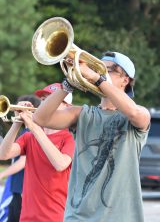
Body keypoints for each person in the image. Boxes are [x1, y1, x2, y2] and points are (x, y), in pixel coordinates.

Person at [33, 51, 151, 222]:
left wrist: (97, 79)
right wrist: (67, 85)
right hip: (79, 216)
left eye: (106, 70)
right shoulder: (82, 113)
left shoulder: (138, 113)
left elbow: (133, 112)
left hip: (123, 217)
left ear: (125, 80)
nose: (99, 72)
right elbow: (40, 118)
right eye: (97, 68)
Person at [0, 84, 75, 222]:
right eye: (44, 99)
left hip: (55, 217)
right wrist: (17, 122)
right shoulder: (30, 136)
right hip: (27, 217)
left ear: (68, 107)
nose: (46, 103)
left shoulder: (69, 138)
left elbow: (60, 164)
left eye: (52, 99)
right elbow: (3, 154)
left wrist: (34, 126)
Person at [0, 94, 41, 222]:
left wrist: (2, 175)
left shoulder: (30, 133)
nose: (17, 110)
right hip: (18, 187)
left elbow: (23, 161)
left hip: (22, 189)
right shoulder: (25, 132)